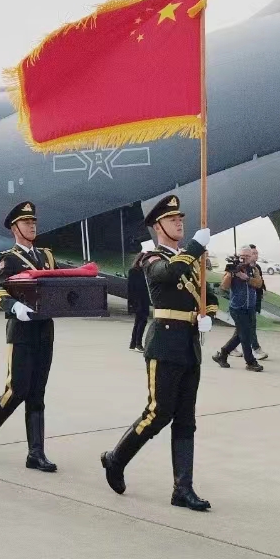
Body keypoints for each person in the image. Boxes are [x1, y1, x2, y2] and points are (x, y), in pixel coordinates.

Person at [100, 194, 218, 511]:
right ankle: (116, 459)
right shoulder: (151, 258)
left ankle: (183, 489)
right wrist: (194, 248)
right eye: (172, 219)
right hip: (164, 345)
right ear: (157, 227)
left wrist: (208, 313)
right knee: (158, 412)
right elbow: (167, 276)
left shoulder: (189, 260)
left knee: (185, 420)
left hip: (190, 345)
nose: (179, 222)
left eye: (181, 218)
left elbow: (208, 292)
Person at [0, 201, 68, 472]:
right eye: (27, 222)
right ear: (15, 228)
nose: (32, 226)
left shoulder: (47, 256)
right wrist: (14, 307)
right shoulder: (10, 258)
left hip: (44, 329)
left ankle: (36, 453)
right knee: (18, 389)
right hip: (20, 331)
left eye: (34, 222)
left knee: (37, 392)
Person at [211, 245, 266, 372]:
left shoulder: (254, 269)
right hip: (237, 307)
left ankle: (222, 354)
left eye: (247, 256)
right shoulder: (232, 268)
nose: (244, 259)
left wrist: (246, 278)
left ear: (251, 256)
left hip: (250, 306)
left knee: (241, 333)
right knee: (245, 334)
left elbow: (259, 284)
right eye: (242, 257)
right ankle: (250, 362)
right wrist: (232, 274)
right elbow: (224, 287)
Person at [126, 240, 153, 351]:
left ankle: (133, 343)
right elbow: (130, 288)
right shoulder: (134, 271)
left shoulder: (145, 272)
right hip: (138, 301)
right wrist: (132, 303)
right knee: (141, 321)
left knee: (139, 321)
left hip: (144, 300)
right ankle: (138, 343)